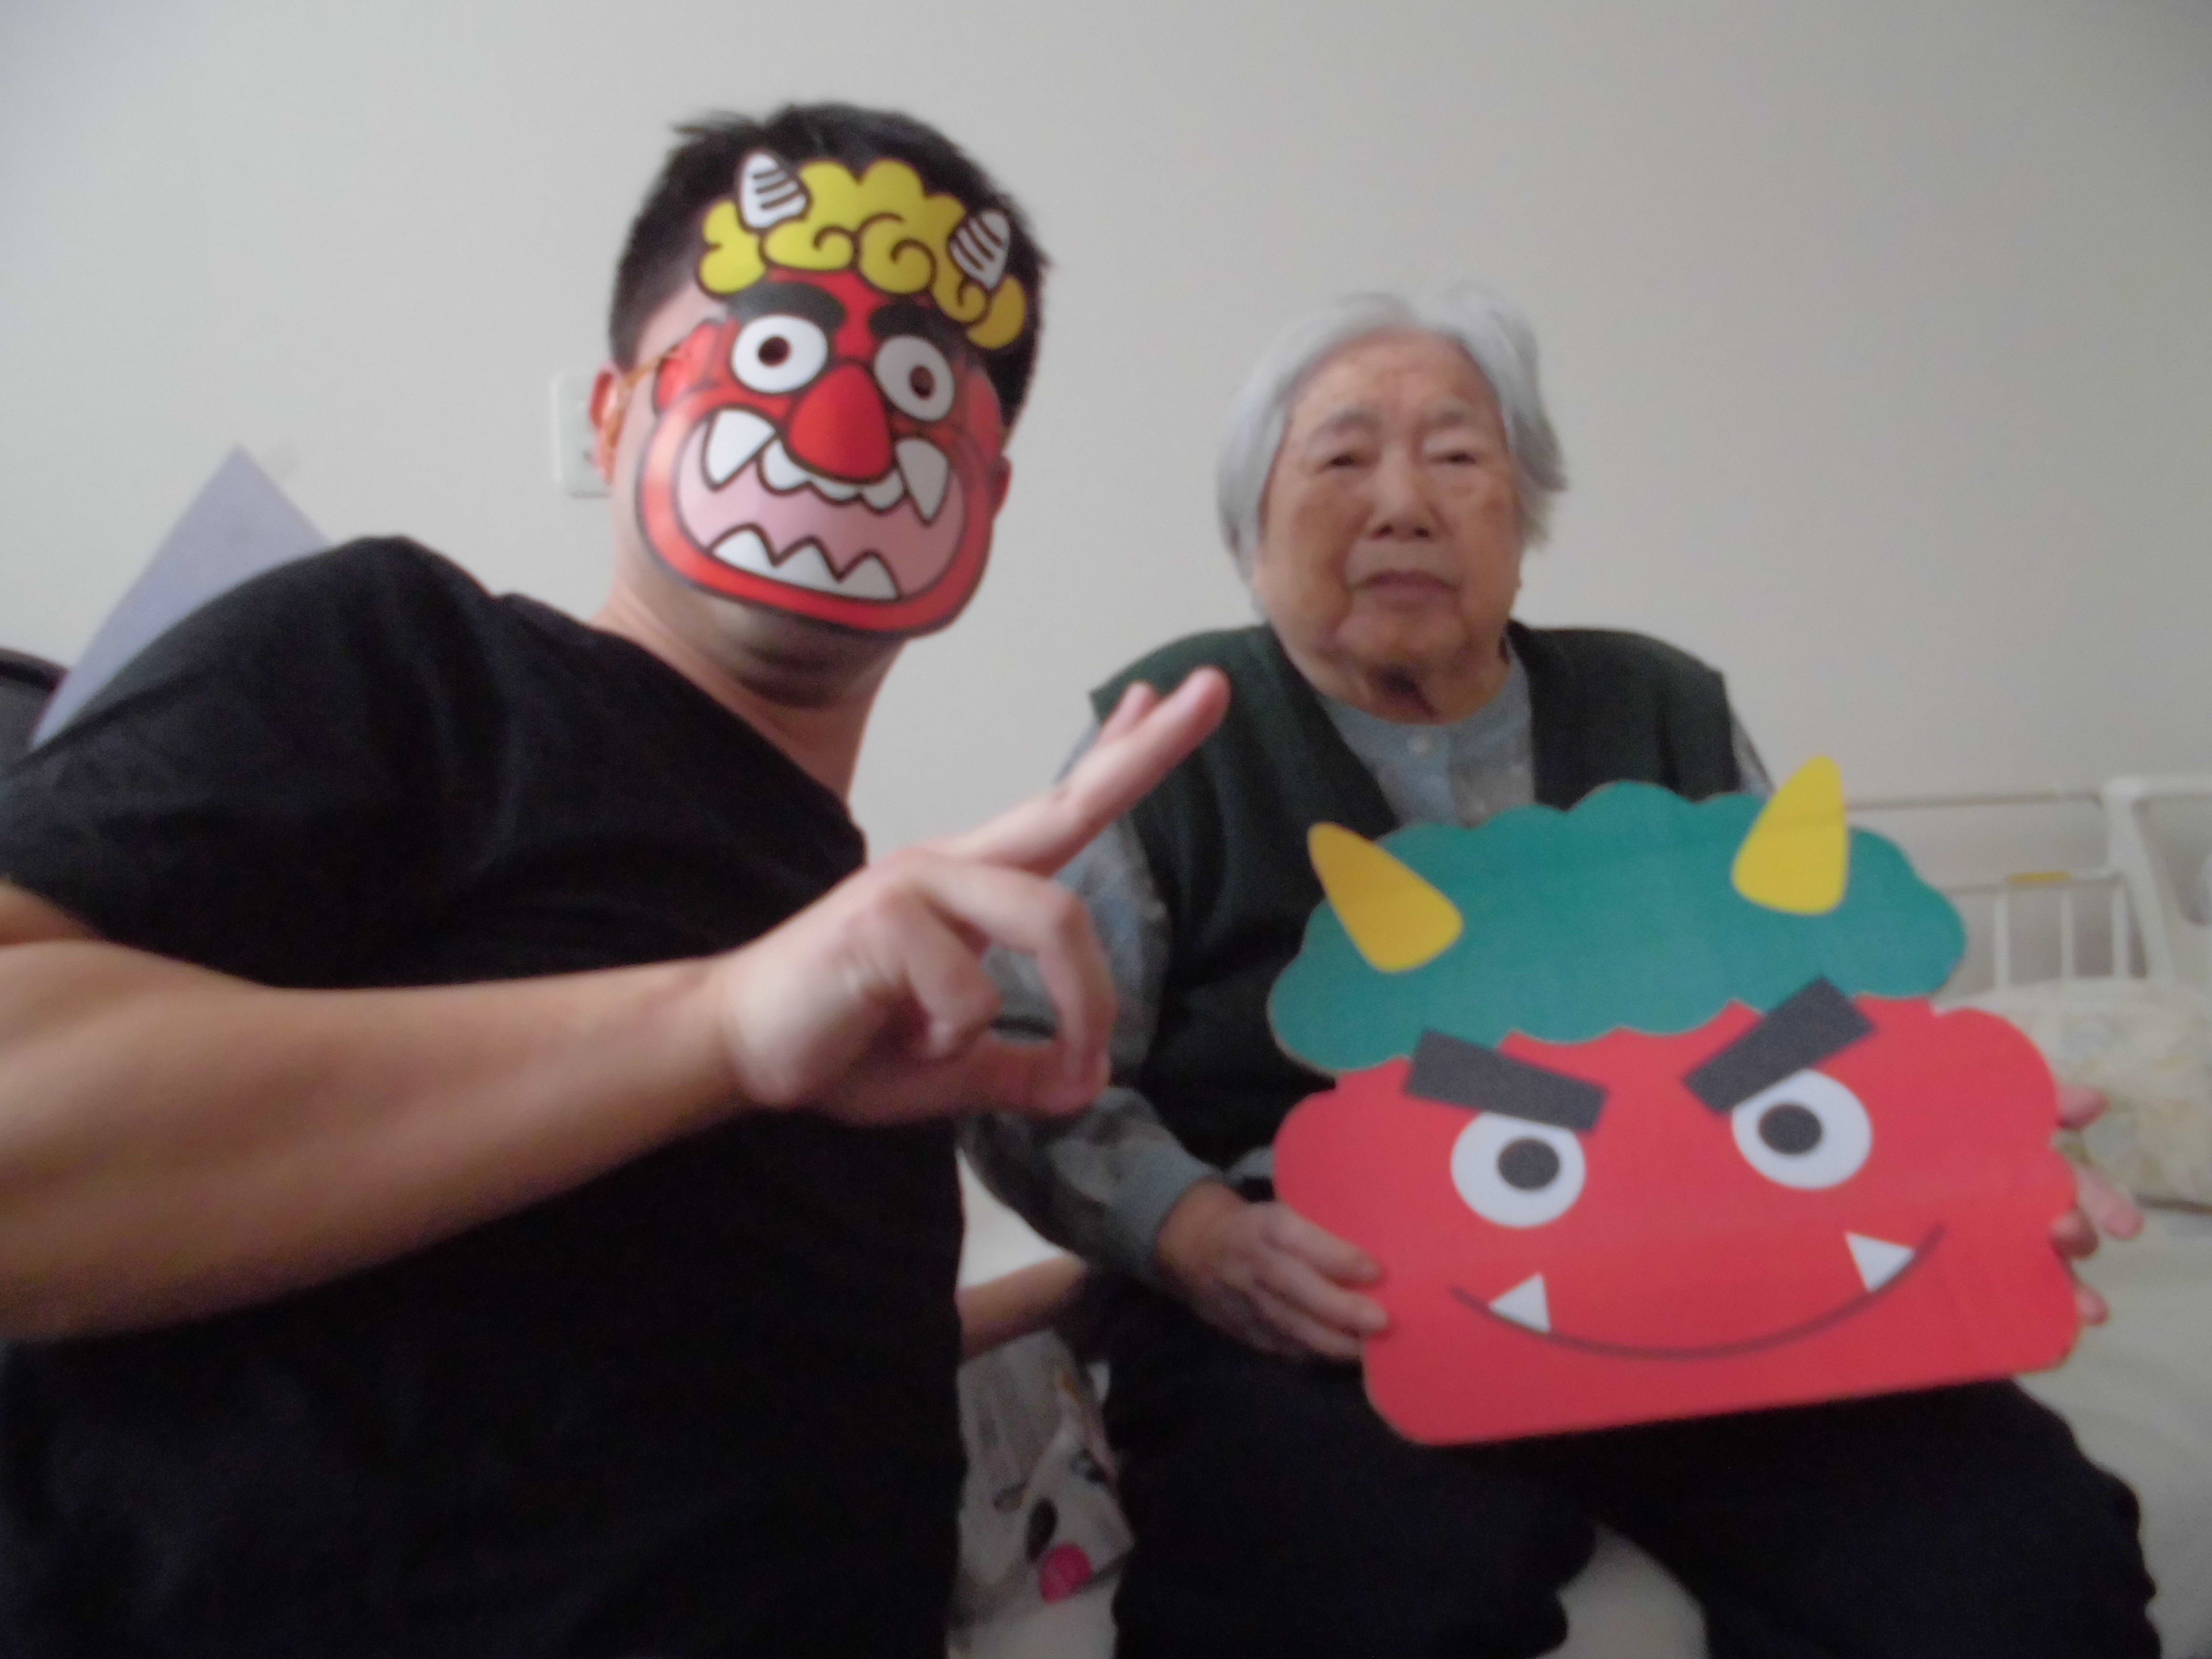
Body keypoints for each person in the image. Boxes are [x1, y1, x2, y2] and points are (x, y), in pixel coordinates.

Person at [0, 103, 1225, 1658]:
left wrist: (1103, 1282)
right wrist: (718, 1028)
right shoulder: (408, 661)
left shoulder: (887, 959)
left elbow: (665, 1369)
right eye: (771, 352)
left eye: (922, 389)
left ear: (984, 494)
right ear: (609, 417)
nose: (844, 432)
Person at [962, 284, 2159, 1659]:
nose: (1404, 505)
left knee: (2013, 1560)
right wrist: (1195, 1235)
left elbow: (1821, 1026)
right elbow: (1019, 1063)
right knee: (1342, 1584)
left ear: (1523, 520)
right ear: (1251, 529)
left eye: (1458, 455)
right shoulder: (1172, 736)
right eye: (1343, 457)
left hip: (1711, 1264)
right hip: (1322, 1301)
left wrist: (1962, 1174)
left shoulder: (1663, 707)